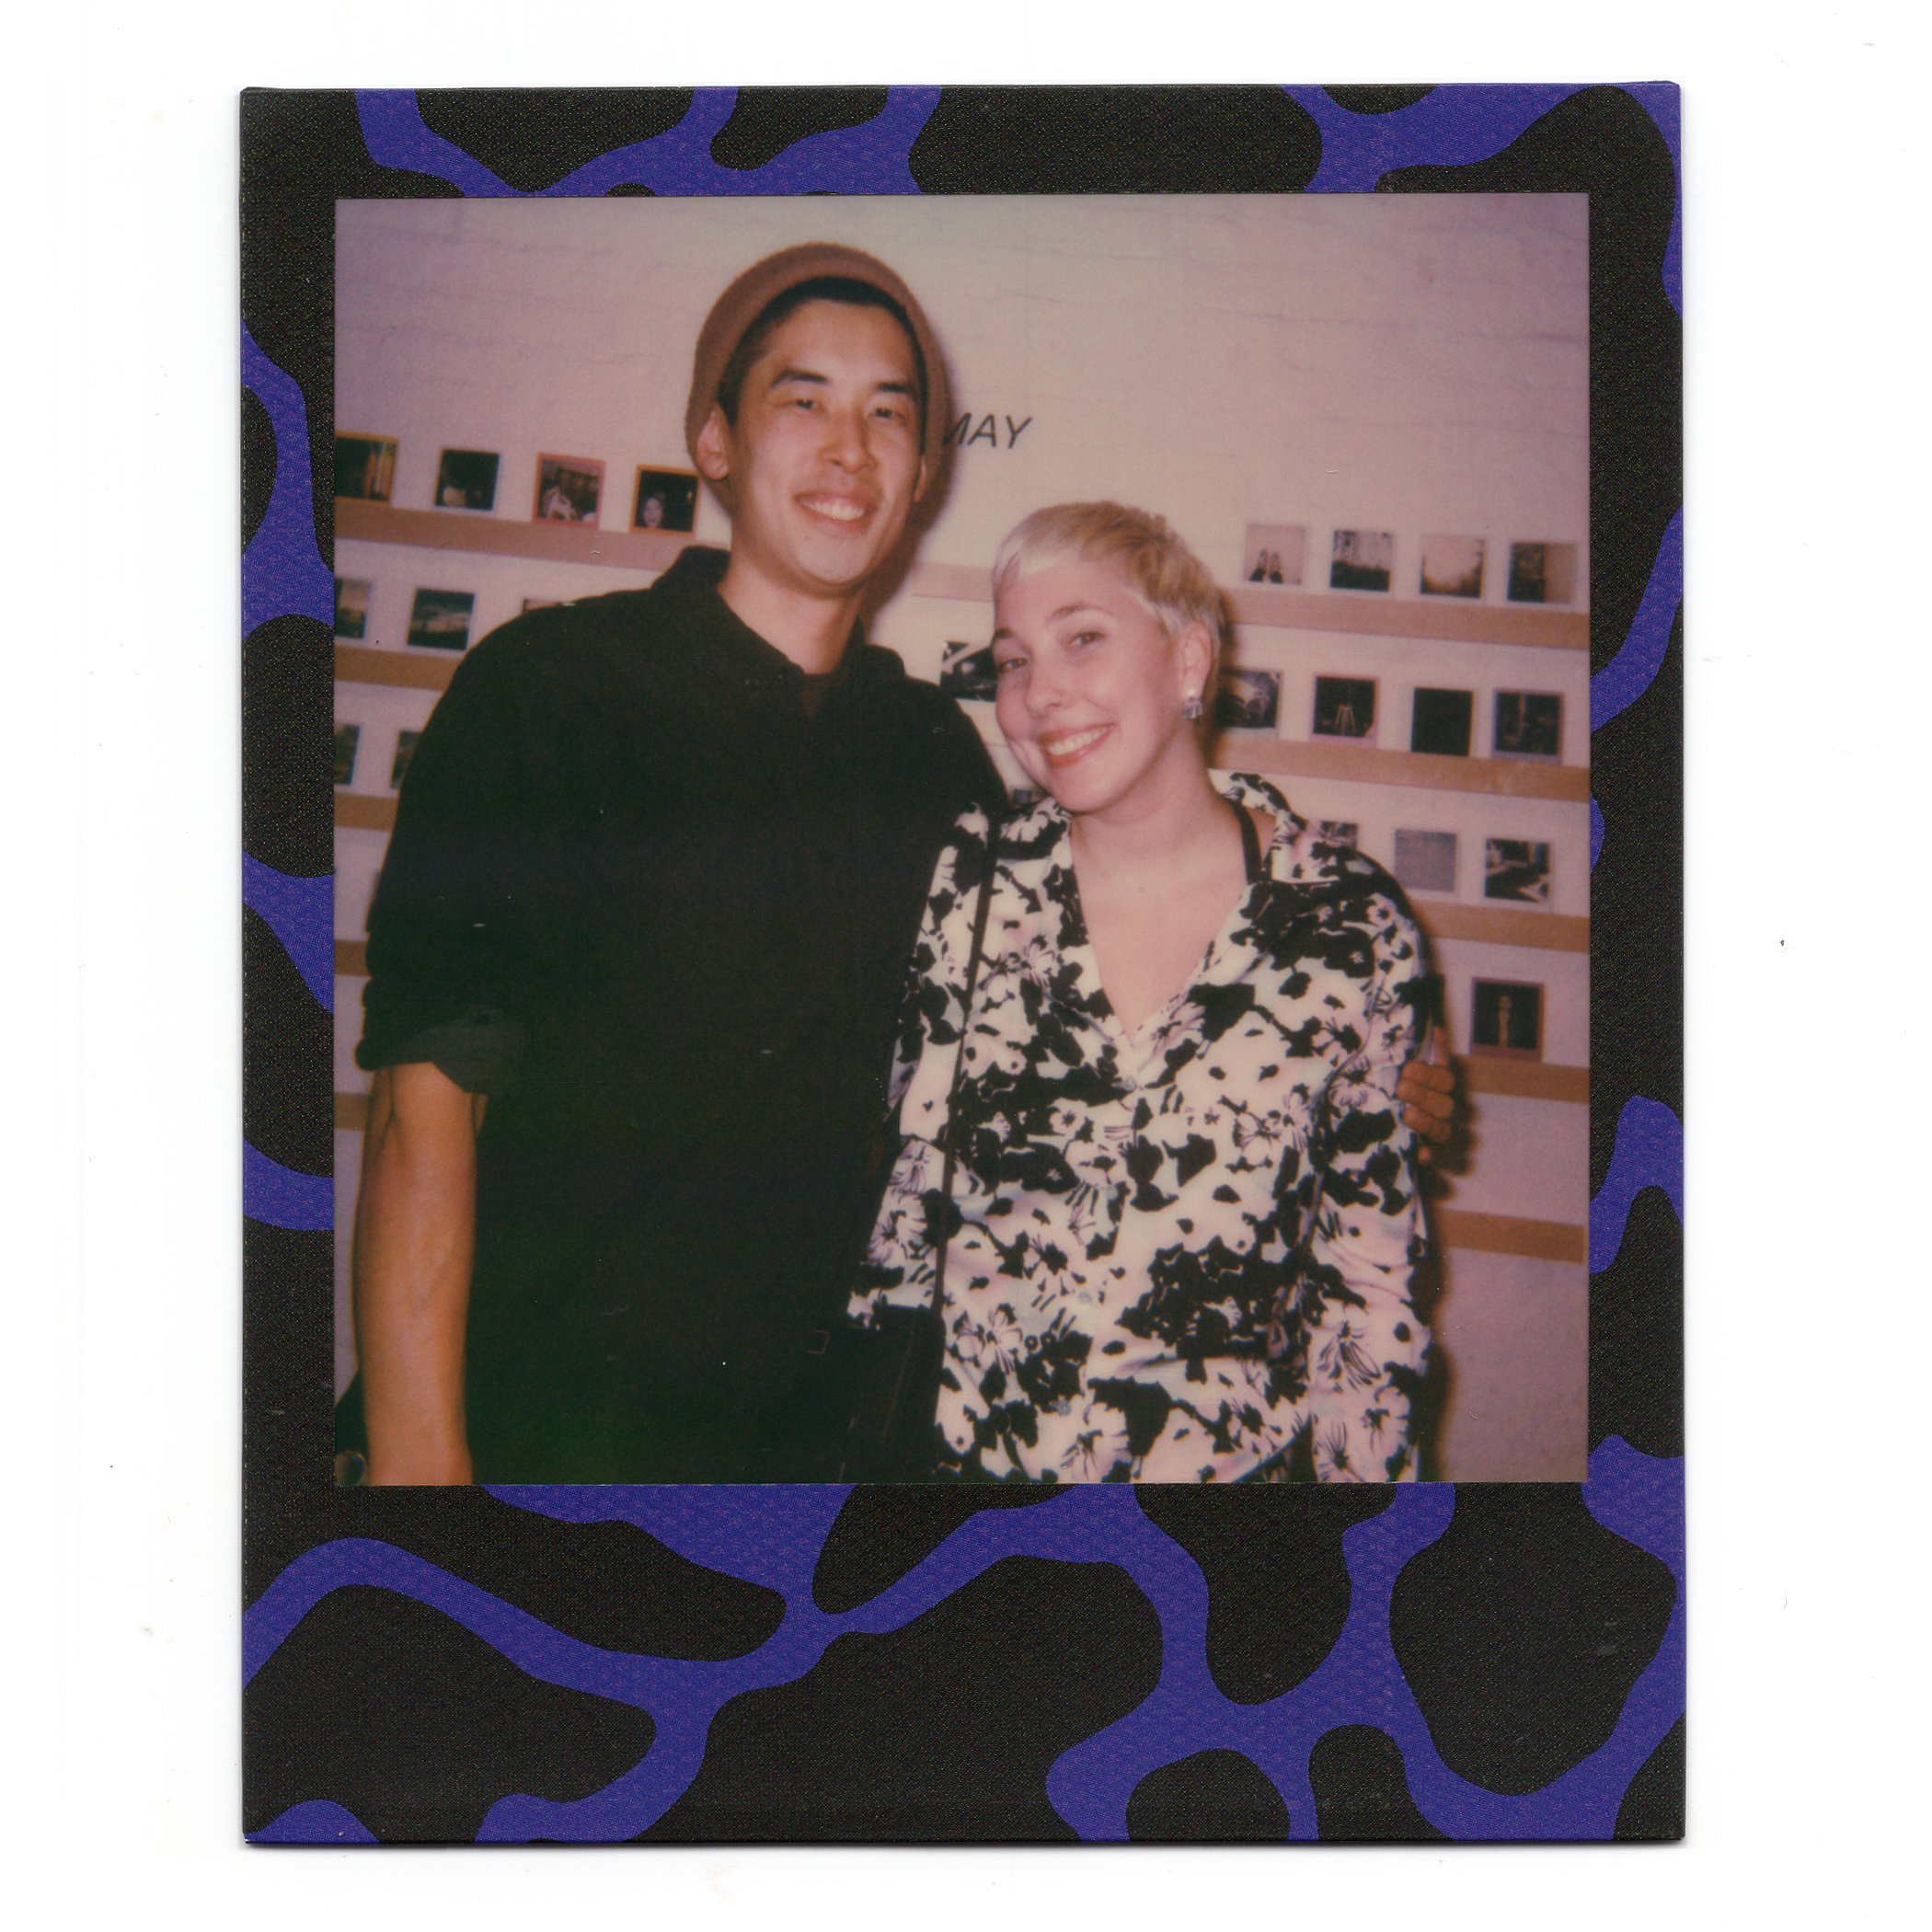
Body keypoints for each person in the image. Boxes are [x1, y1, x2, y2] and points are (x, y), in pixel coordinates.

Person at [348, 245, 1458, 1485]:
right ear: (713, 441)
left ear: (925, 473)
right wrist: (422, 1482)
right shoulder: (549, 693)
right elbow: (418, 1116)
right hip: (530, 1427)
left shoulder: (936, 761)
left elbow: (1116, 961)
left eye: (890, 415)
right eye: (802, 399)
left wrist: (1367, 1047)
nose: (850, 448)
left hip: (810, 1460)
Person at [856, 502, 1432, 1482]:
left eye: (1083, 639)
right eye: (1012, 660)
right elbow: (899, 1201)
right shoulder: (967, 882)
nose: (1040, 694)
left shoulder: (1346, 926)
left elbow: (1370, 1288)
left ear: (1191, 662)